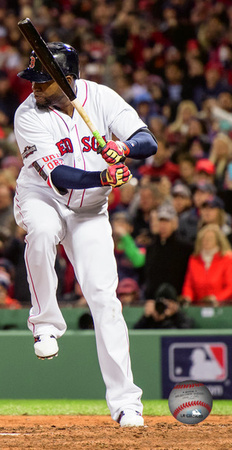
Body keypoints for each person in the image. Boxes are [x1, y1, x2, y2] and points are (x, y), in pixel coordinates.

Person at [13, 42, 157, 427]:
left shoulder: (102, 98)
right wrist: (105, 175)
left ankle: (127, 403)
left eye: (43, 81)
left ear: (67, 79)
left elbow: (148, 141)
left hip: (91, 210)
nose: (34, 87)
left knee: (104, 298)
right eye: (33, 79)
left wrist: (122, 147)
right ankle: (44, 324)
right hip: (43, 196)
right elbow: (58, 177)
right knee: (41, 231)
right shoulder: (27, 115)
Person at [143, 204, 193, 299]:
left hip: (178, 300)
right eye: (160, 221)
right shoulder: (151, 248)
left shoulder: (186, 248)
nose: (163, 225)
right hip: (154, 301)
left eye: (167, 221)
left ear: (175, 224)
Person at [181, 224, 232, 305]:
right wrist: (187, 298)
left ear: (218, 241)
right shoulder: (194, 260)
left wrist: (216, 299)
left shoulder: (227, 259)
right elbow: (189, 285)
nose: (206, 241)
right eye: (204, 239)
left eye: (210, 239)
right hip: (198, 306)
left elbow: (230, 287)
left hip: (222, 306)